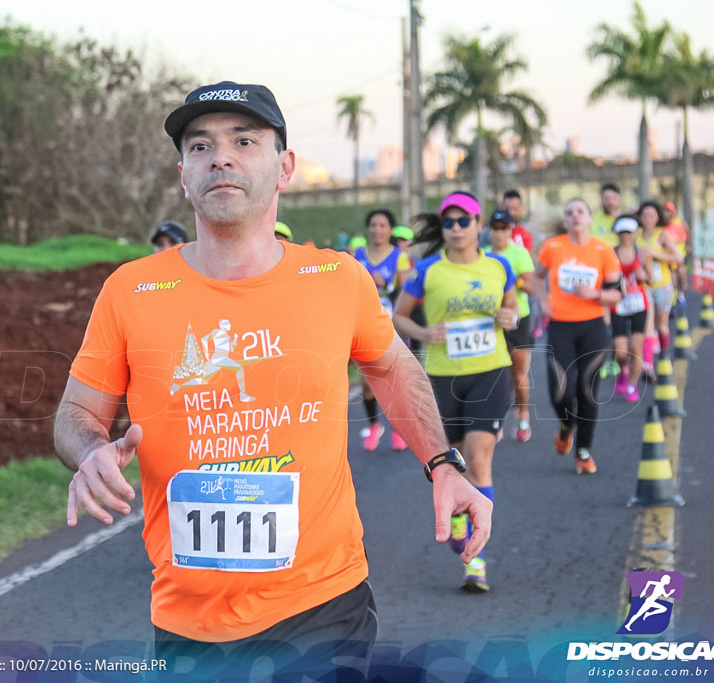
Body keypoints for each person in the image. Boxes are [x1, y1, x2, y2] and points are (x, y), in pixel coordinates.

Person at [54, 80, 491, 676]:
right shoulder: (130, 290)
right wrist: (91, 453)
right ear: (184, 175)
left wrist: (443, 464)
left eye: (245, 140)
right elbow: (77, 414)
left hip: (322, 601)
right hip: (187, 616)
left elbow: (390, 364)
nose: (222, 157)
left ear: (284, 168)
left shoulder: (338, 279)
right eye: (201, 146)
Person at [391, 192, 518, 593]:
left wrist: (508, 316)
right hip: (443, 379)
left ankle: (475, 560)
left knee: (480, 459)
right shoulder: (427, 270)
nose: (457, 228)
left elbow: (513, 310)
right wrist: (426, 333)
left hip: (491, 373)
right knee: (456, 462)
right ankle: (460, 519)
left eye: (465, 221)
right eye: (449, 222)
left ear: (480, 224)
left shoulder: (499, 265)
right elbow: (398, 317)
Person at [531, 198, 622, 475]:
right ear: (566, 220)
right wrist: (543, 300)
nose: (574, 216)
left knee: (587, 390)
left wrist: (594, 294)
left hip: (593, 327)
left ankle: (583, 452)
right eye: (569, 212)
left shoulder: (604, 251)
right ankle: (566, 425)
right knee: (560, 392)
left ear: (590, 217)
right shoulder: (553, 247)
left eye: (580, 211)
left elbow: (617, 294)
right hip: (560, 327)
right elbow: (536, 278)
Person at [352, 208, 414, 452]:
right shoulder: (357, 255)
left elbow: (407, 291)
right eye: (374, 225)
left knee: (393, 379)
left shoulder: (398, 256)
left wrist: (386, 284)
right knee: (368, 382)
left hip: (391, 325)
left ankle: (398, 428)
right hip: (364, 325)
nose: (377, 230)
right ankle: (374, 425)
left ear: (390, 230)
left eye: (382, 225)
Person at [487, 209, 536, 443]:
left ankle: (523, 413)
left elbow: (531, 287)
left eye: (503, 229)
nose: (498, 234)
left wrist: (512, 278)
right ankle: (496, 421)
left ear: (510, 230)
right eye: (494, 229)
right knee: (495, 375)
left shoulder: (519, 254)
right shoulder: (482, 255)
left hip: (519, 318)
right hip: (492, 320)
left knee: (518, 374)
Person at [610, 216, 653, 402]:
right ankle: (623, 371)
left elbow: (651, 279)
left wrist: (642, 276)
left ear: (635, 234)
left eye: (629, 232)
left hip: (638, 305)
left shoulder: (643, 253)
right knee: (620, 353)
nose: (625, 236)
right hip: (618, 305)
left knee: (636, 348)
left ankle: (632, 385)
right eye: (622, 233)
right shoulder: (610, 253)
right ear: (617, 235)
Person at [637, 200, 683, 367]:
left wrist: (655, 254)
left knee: (662, 325)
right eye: (645, 215)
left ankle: (664, 352)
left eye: (652, 215)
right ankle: (647, 365)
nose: (648, 218)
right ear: (640, 217)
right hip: (643, 287)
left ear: (657, 218)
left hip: (663, 286)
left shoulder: (662, 235)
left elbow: (678, 257)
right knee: (647, 326)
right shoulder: (636, 236)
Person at [589, 182, 622, 247]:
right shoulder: (591, 219)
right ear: (601, 199)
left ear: (620, 199)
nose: (611, 202)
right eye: (607, 198)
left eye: (614, 198)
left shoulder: (626, 220)